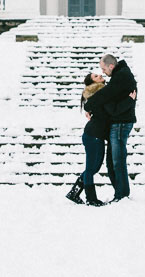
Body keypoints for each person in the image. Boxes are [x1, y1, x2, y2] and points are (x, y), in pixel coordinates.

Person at [83, 54, 137, 203]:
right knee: (112, 161)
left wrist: (88, 105)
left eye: (103, 69)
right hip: (117, 123)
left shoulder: (120, 76)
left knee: (117, 160)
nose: (103, 72)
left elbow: (105, 96)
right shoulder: (120, 74)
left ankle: (121, 195)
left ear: (111, 66)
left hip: (121, 123)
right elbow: (106, 99)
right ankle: (120, 193)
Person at [65, 72, 109, 206]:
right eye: (96, 76)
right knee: (91, 168)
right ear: (92, 83)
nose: (100, 75)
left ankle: (74, 192)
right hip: (92, 135)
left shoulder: (101, 92)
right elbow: (90, 105)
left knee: (94, 168)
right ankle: (91, 198)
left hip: (96, 135)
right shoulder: (98, 94)